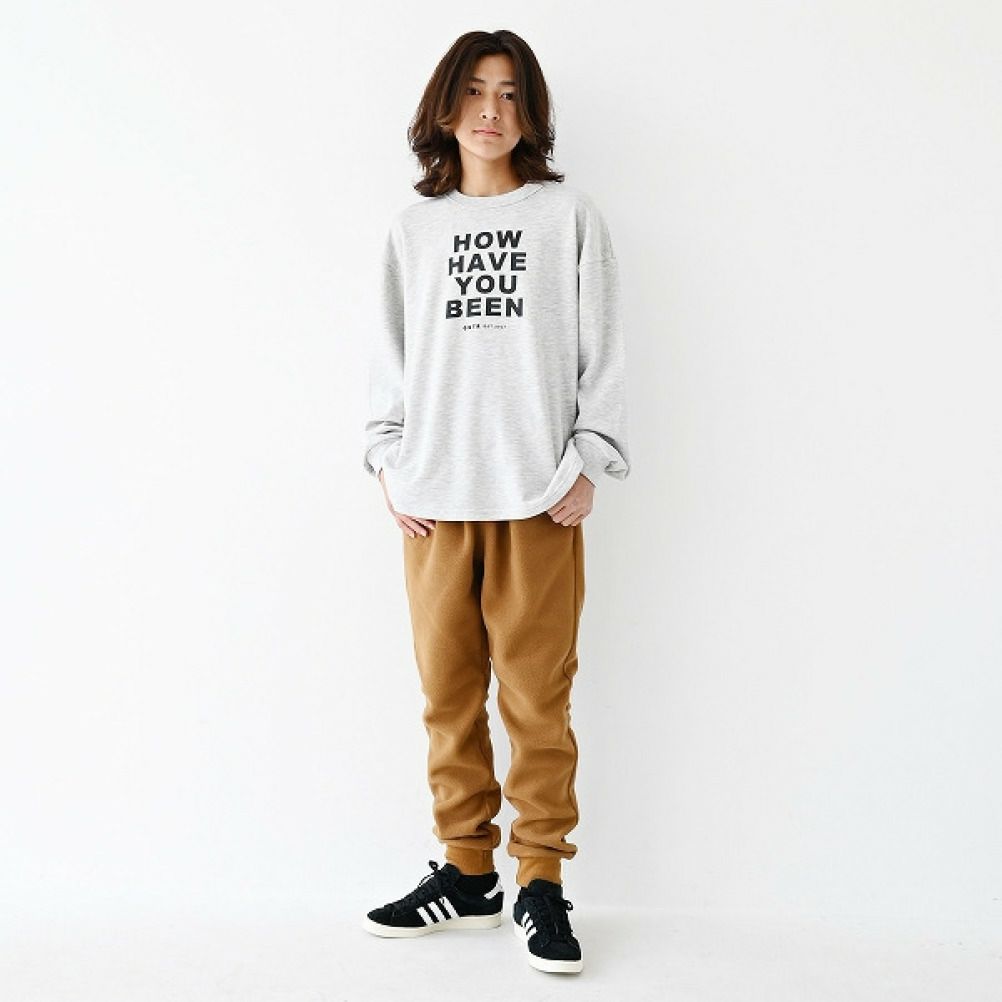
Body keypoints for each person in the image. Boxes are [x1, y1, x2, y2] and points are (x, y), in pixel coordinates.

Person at [360, 28, 630, 975]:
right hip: (432, 501)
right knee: (447, 696)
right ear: (445, 107)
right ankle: (468, 872)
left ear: (531, 113)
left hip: (537, 500)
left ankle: (540, 881)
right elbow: (388, 360)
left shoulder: (567, 217)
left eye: (511, 94)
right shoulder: (412, 230)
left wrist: (589, 459)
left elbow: (604, 349)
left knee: (536, 699)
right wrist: (387, 463)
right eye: (475, 91)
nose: (491, 111)